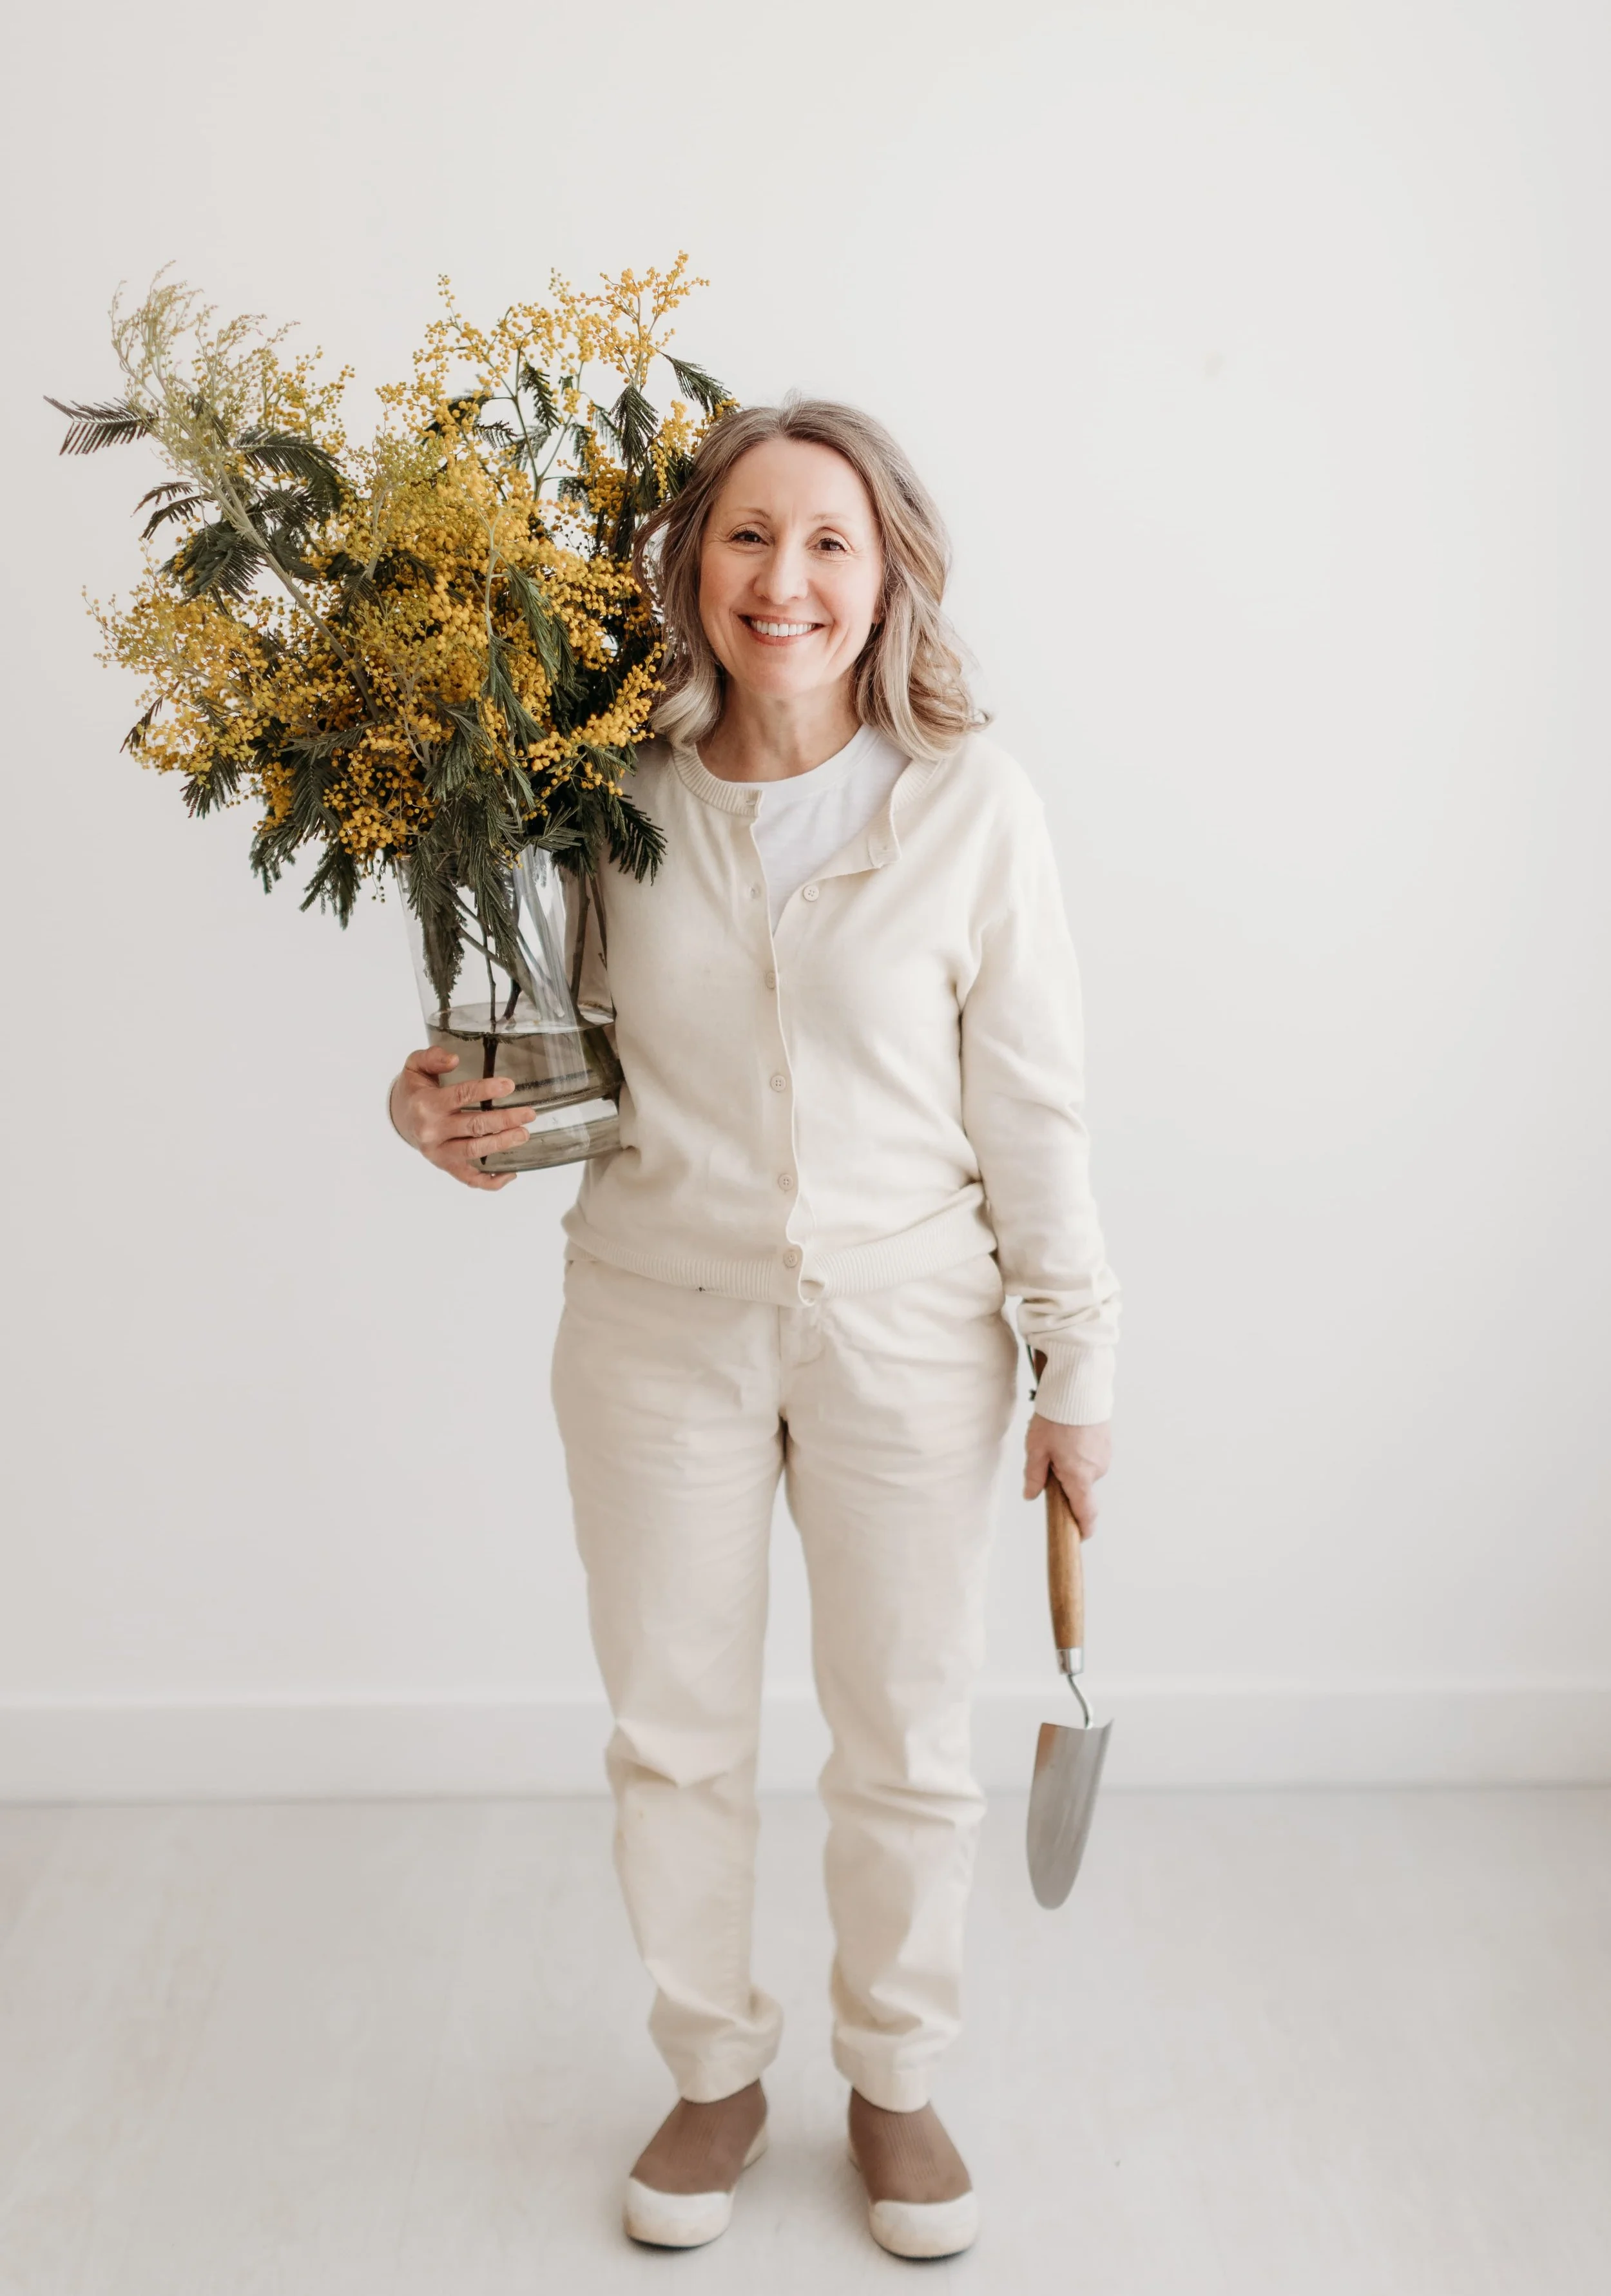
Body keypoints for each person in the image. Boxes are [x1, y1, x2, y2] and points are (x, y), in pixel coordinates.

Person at [387, 399, 1121, 2261]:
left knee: (908, 1735)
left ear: (889, 579)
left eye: (827, 543)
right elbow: (540, 1056)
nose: (783, 580)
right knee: (676, 1731)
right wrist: (443, 1110)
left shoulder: (972, 806)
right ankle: (712, 2072)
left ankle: (896, 2078)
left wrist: (1077, 1368)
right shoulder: (595, 796)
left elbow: (1034, 1108)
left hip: (912, 1334)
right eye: (745, 535)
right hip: (656, 1323)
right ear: (690, 564)